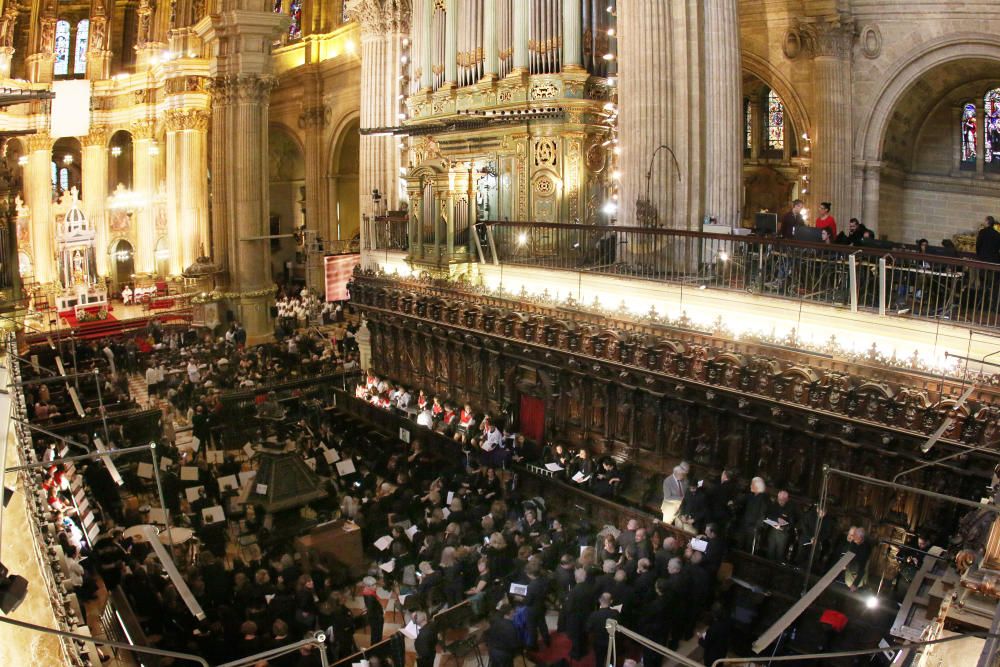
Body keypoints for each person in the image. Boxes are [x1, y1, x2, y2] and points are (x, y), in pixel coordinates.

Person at [764, 490, 799, 563]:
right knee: (770, 551)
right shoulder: (775, 504)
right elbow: (769, 514)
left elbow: (793, 521)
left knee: (780, 553)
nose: (780, 501)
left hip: (784, 533)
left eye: (782, 500)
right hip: (773, 531)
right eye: (779, 499)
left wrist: (784, 526)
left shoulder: (792, 507)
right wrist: (776, 519)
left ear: (787, 499)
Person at [485, 602, 523, 667]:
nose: (514, 614)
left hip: (492, 650)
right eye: (513, 612)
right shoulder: (510, 627)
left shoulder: (496, 621)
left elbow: (488, 633)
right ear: (509, 613)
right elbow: (514, 645)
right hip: (503, 654)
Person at [586, 592, 620, 666]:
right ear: (611, 601)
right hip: (612, 642)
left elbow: (588, 629)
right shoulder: (615, 614)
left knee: (599, 661)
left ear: (600, 600)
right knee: (611, 661)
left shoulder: (594, 615)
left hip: (598, 642)